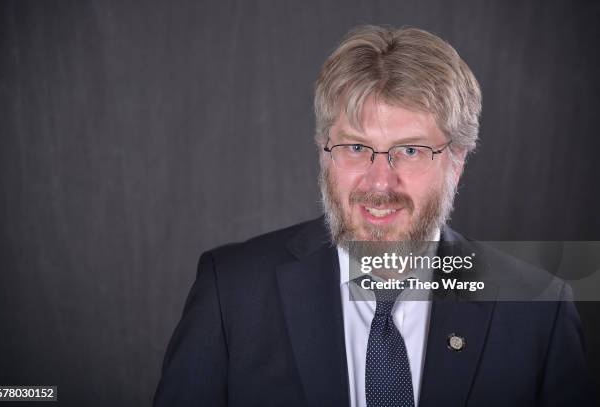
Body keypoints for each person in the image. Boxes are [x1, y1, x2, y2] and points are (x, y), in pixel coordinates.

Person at [153, 25, 594, 406]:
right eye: (356, 147)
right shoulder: (232, 292)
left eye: (410, 150)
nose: (380, 184)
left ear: (456, 161)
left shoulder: (539, 311)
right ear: (324, 153)